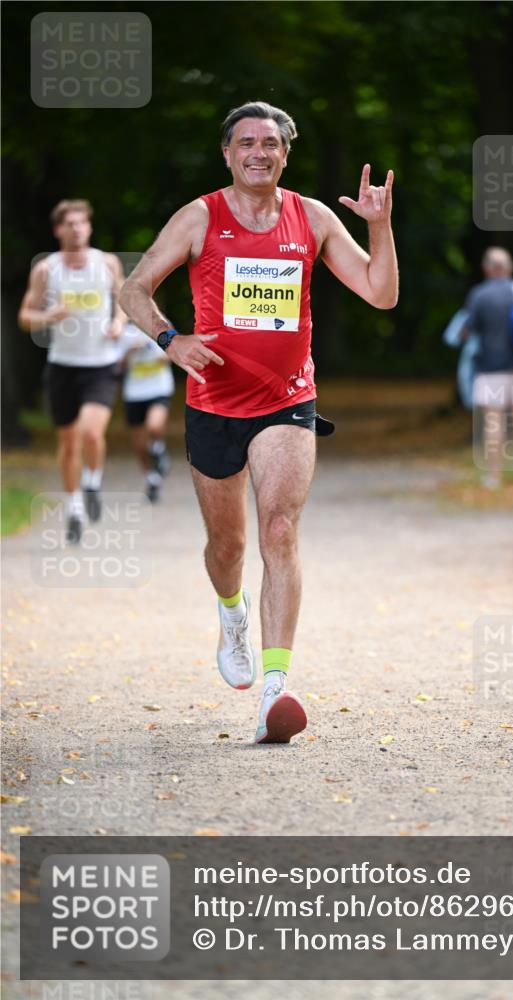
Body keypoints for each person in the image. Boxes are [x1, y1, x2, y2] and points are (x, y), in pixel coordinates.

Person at [120, 101, 398, 744]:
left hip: (287, 400)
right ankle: (231, 611)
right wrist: (171, 340)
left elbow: (381, 293)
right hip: (214, 403)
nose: (258, 152)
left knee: (278, 527)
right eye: (246, 142)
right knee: (229, 548)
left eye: (271, 143)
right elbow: (134, 289)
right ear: (227, 153)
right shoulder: (200, 216)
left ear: (284, 153)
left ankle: (276, 688)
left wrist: (380, 228)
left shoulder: (313, 218)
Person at [18, 200, 126, 542]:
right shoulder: (46, 270)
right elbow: (25, 316)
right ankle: (75, 508)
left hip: (100, 364)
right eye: (69, 224)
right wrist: (50, 316)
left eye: (82, 223)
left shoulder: (106, 263)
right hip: (62, 366)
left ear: (89, 228)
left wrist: (118, 323)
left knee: (92, 434)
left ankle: (93, 481)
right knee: (67, 443)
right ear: (58, 230)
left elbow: (124, 302)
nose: (76, 229)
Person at [464, 247, 513, 489]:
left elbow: (467, 330)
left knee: (493, 422)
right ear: (510, 268)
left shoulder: (479, 295)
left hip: (490, 369)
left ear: (487, 268)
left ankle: (494, 477)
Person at [118, 322, 174, 503]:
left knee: (154, 426)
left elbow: (172, 355)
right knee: (139, 445)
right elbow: (117, 365)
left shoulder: (160, 324)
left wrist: (152, 348)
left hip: (158, 388)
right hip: (134, 393)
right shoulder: (121, 331)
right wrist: (132, 351)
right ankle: (152, 479)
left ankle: (159, 449)